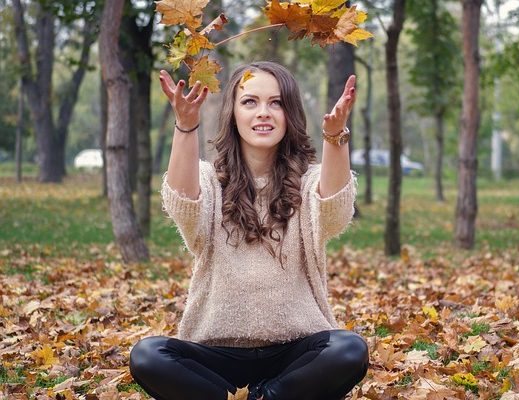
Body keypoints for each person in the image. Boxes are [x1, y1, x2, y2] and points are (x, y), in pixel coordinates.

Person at [128, 61, 369, 400]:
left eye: (276, 102)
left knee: (349, 349)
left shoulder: (308, 181)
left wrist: (335, 136)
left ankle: (264, 397)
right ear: (233, 113)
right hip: (217, 356)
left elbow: (334, 211)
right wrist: (185, 126)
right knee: (148, 355)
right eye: (250, 102)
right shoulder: (210, 182)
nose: (263, 113)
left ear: (290, 113)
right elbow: (183, 202)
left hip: (296, 356)